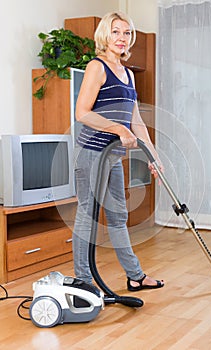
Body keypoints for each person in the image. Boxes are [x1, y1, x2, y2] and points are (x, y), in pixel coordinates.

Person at [73, 11, 164, 292]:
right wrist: (118, 129)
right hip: (92, 153)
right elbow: (82, 113)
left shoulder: (128, 74)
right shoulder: (96, 67)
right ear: (105, 35)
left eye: (126, 33)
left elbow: (135, 120)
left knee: (118, 216)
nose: (122, 38)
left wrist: (153, 155)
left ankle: (134, 275)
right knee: (87, 213)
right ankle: (83, 281)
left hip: (113, 157)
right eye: (116, 32)